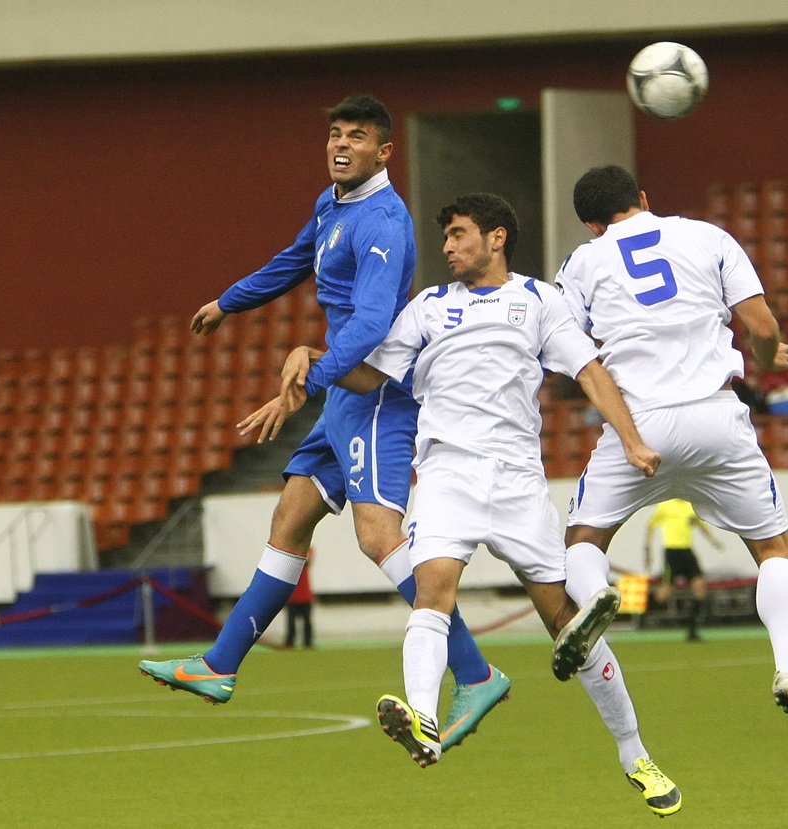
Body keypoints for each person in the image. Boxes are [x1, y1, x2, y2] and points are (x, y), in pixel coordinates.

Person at [271, 193, 681, 816]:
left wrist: (630, 438)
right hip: (447, 474)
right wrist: (314, 361)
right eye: (445, 238)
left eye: (459, 234)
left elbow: (590, 370)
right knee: (432, 590)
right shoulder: (428, 307)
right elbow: (371, 374)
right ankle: (423, 718)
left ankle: (635, 754)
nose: (448, 247)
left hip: (518, 480)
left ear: (497, 238)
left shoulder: (540, 300)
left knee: (567, 624)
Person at [138, 96, 508, 752]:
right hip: (341, 396)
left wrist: (306, 380)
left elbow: (370, 325)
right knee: (291, 515)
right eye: (335, 133)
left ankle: (475, 672)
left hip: (375, 396)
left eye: (356, 136)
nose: (340, 144)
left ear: (384, 152)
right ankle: (220, 665)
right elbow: (294, 259)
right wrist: (228, 302)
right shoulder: (331, 205)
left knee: (377, 535)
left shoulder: (384, 222)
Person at [554, 165, 788, 751]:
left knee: (583, 541)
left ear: (591, 224)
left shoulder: (582, 262)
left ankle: (595, 596)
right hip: (716, 416)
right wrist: (766, 356)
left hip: (638, 422)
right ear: (642, 198)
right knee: (773, 550)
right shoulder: (709, 237)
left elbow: (572, 357)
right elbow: (761, 324)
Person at [644, 498, 724, 641]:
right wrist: (648, 550)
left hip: (687, 552)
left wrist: (713, 541)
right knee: (665, 592)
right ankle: (644, 620)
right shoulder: (665, 506)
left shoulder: (690, 506)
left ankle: (692, 631)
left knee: (700, 588)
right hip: (672, 552)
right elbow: (651, 526)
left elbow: (701, 525)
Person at [283, 549, 314, 648]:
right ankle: (289, 643)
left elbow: (308, 559)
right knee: (291, 623)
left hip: (305, 596)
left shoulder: (308, 550)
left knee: (307, 623)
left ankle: (308, 643)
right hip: (292, 597)